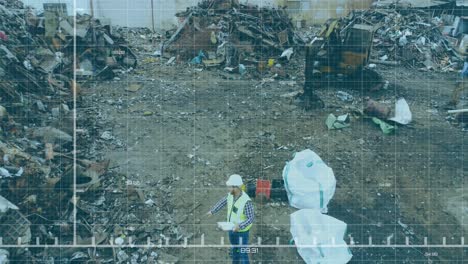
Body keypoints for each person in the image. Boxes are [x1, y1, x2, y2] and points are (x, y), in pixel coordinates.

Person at [206, 174, 254, 264]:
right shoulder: (230, 195)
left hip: (242, 232)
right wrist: (212, 211)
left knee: (242, 254)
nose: (228, 189)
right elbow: (222, 202)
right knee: (235, 250)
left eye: (230, 187)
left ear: (236, 187)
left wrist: (239, 226)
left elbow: (250, 218)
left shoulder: (246, 201)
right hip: (231, 229)